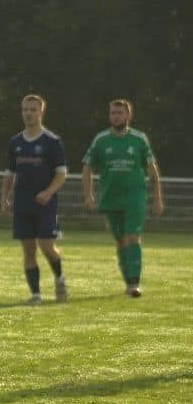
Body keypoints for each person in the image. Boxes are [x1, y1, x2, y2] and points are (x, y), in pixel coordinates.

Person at [82, 99, 164, 297]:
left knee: (132, 236)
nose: (115, 116)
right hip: (110, 198)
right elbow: (87, 167)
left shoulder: (139, 139)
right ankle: (128, 281)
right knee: (120, 241)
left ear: (128, 116)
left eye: (119, 113)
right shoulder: (100, 140)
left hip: (135, 197)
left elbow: (152, 170)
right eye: (112, 113)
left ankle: (134, 282)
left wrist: (158, 198)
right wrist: (88, 195)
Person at [0, 94, 69, 305]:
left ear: (41, 112)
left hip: (46, 203)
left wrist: (48, 192)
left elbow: (61, 173)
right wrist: (5, 198)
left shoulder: (52, 142)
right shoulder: (16, 142)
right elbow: (10, 173)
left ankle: (59, 278)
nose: (28, 113)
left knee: (47, 245)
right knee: (28, 249)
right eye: (25, 110)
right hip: (23, 203)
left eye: (32, 110)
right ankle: (36, 294)